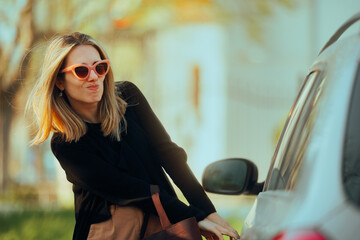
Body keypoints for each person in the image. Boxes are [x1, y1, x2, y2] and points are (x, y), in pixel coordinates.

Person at [26, 32, 240, 240]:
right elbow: (125, 187)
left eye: (100, 67)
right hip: (108, 232)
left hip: (162, 219)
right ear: (60, 81)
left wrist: (207, 211)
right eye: (81, 71)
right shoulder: (65, 144)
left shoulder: (129, 97)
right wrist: (193, 216)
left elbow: (169, 154)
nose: (94, 77)